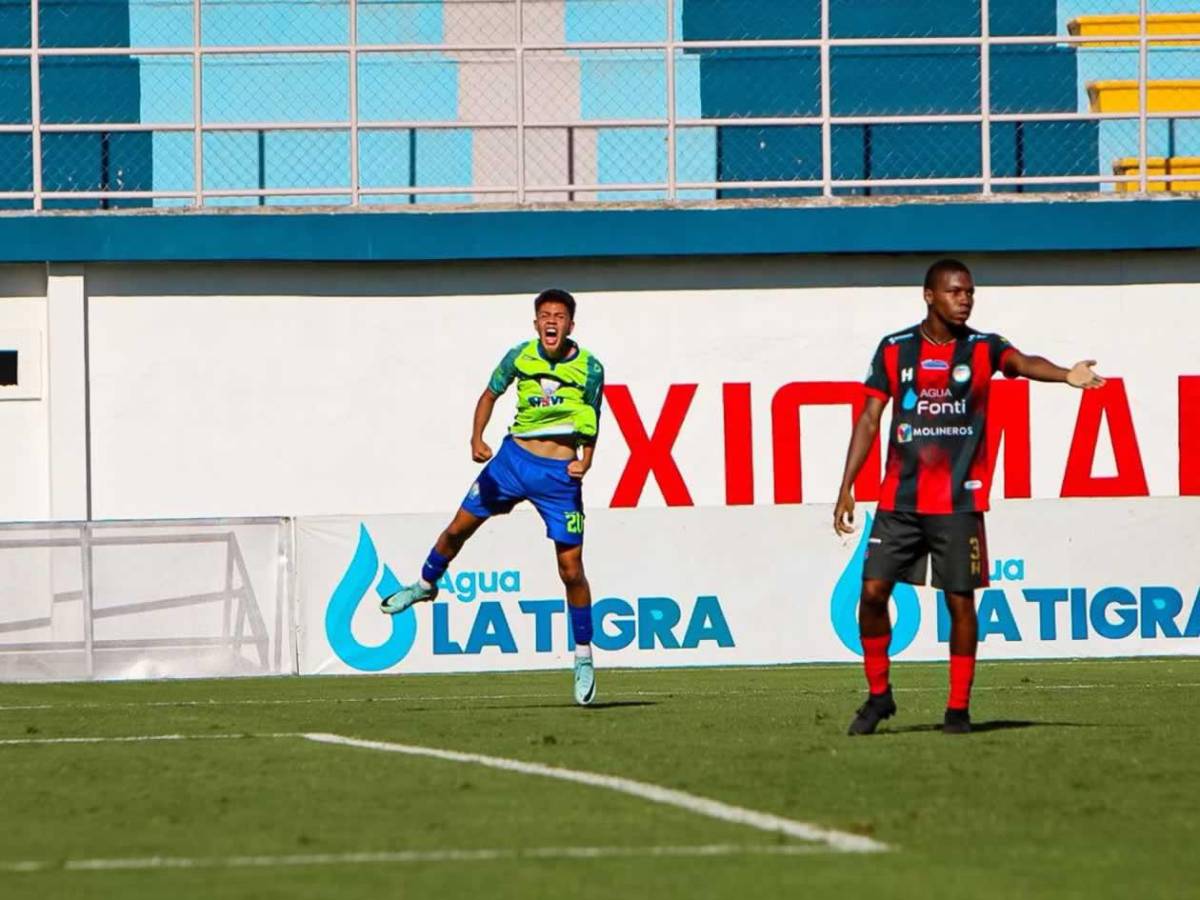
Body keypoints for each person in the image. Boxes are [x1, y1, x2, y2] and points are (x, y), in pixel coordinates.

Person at [833, 259, 1105, 735]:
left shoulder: (983, 347)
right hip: (899, 500)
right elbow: (870, 418)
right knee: (872, 593)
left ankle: (957, 709)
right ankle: (879, 696)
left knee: (960, 602)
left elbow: (1022, 364)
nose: (965, 299)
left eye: (970, 293)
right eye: (955, 292)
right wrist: (846, 485)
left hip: (958, 502)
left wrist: (1066, 374)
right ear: (929, 295)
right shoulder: (895, 350)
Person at [381, 288, 605, 706]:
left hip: (558, 476)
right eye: (544, 315)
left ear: (571, 324)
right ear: (536, 323)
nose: (551, 321)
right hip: (511, 462)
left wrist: (586, 461)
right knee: (457, 530)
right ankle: (426, 584)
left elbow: (593, 416)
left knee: (571, 570)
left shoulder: (591, 368)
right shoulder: (519, 356)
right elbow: (490, 394)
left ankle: (583, 655)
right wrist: (476, 437)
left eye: (559, 315)